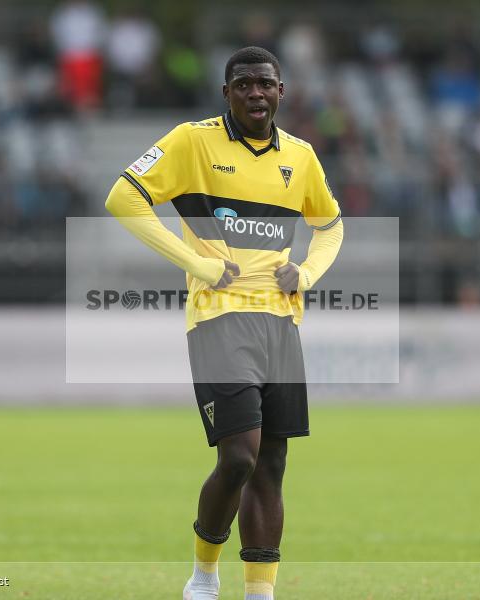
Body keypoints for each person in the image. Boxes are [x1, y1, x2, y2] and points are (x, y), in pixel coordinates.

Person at [104, 46, 343, 600]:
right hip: (218, 319)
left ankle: (259, 593)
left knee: (272, 465)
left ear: (281, 92)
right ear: (227, 92)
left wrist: (305, 274)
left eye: (265, 84)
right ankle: (204, 575)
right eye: (243, 85)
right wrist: (199, 264)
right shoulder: (193, 140)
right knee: (239, 456)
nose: (255, 93)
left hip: (280, 323)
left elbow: (330, 226)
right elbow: (123, 198)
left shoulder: (301, 156)